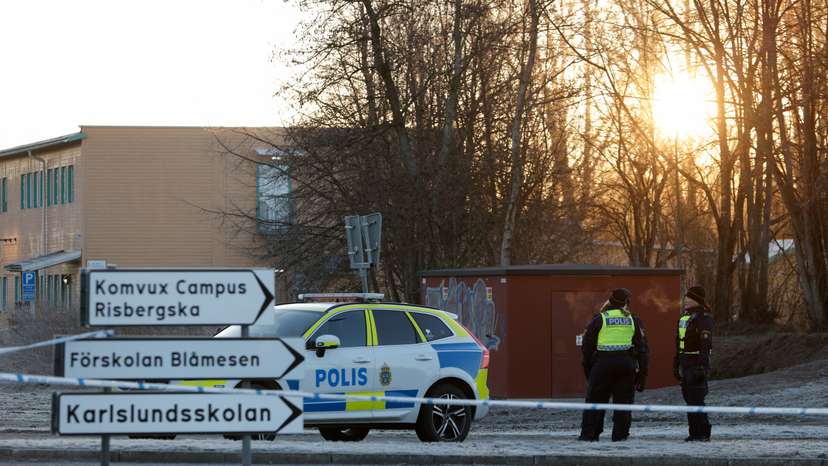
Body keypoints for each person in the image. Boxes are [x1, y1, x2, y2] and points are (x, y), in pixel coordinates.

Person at [579, 288, 649, 442]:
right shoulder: (633, 320)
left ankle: (590, 434)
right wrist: (642, 375)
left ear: (610, 301)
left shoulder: (600, 319)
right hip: (626, 364)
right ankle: (620, 436)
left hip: (602, 364)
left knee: (595, 400)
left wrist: (589, 369)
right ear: (626, 303)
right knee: (623, 404)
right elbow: (642, 349)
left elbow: (587, 347)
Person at [674, 285, 714, 441]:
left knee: (697, 399)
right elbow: (679, 342)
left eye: (688, 298)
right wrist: (676, 362)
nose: (685, 300)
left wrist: (702, 366)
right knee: (688, 398)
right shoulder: (684, 318)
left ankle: (703, 433)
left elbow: (706, 344)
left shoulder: (704, 319)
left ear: (696, 300)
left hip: (697, 361)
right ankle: (693, 433)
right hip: (685, 362)